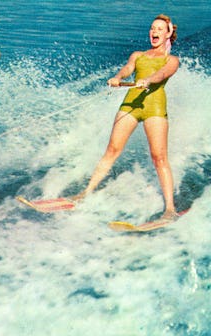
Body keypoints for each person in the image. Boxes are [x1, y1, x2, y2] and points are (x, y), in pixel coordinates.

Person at [72, 14, 179, 221]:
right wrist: (118, 78)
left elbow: (163, 74)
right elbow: (128, 69)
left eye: (159, 29)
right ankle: (85, 193)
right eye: (152, 28)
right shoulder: (138, 55)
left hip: (154, 108)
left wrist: (148, 79)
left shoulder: (172, 60)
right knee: (112, 150)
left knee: (159, 157)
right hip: (130, 104)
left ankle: (170, 209)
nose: (154, 32)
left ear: (168, 34)